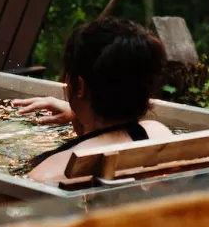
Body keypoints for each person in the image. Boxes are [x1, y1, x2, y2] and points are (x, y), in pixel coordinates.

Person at [15, 17, 173, 182]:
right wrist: (79, 115)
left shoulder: (48, 173)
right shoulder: (159, 134)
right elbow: (110, 134)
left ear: (80, 87)